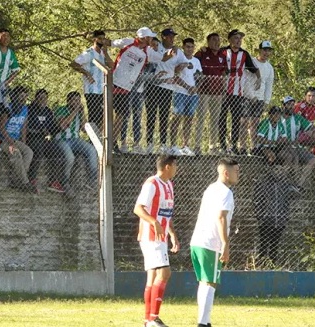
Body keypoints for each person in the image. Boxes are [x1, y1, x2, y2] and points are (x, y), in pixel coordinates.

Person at [106, 27, 176, 153]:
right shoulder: (128, 42)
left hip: (128, 88)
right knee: (107, 113)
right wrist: (96, 41)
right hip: (114, 82)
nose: (152, 39)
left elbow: (163, 58)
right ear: (144, 37)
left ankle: (112, 141)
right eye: (150, 37)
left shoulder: (148, 51)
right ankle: (105, 139)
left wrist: (170, 54)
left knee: (122, 116)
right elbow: (109, 43)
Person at [190, 157, 240, 327]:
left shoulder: (211, 188)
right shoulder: (226, 192)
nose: (238, 174)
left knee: (204, 282)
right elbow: (221, 217)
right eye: (236, 171)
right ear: (226, 173)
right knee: (210, 282)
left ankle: (205, 321)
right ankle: (202, 323)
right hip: (211, 242)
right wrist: (225, 243)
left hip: (197, 241)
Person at [133, 155, 180, 327]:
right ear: (167, 166)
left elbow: (166, 213)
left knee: (152, 277)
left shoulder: (169, 184)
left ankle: (148, 321)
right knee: (165, 273)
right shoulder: (151, 183)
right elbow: (138, 208)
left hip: (161, 237)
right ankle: (153, 318)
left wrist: (172, 233)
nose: (177, 168)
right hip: (151, 236)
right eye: (175, 165)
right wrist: (154, 222)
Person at [219, 29, 260, 155]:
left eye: (240, 39)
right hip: (223, 91)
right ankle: (221, 144)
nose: (239, 41)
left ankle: (233, 145)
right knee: (222, 118)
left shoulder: (244, 54)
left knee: (236, 119)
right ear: (230, 39)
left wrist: (259, 78)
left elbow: (254, 68)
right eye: (236, 38)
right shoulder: (223, 52)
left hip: (238, 92)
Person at [54, 91, 98, 195]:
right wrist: (74, 112)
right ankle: (65, 183)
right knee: (70, 157)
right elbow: (64, 124)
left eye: (78, 100)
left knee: (91, 150)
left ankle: (92, 181)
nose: (77, 103)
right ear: (68, 101)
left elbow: (84, 129)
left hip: (75, 139)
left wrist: (82, 113)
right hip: (62, 139)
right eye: (74, 100)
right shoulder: (61, 109)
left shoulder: (79, 112)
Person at [70, 30, 113, 135]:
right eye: (100, 38)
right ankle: (92, 139)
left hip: (102, 90)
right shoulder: (88, 53)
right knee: (93, 116)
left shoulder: (103, 53)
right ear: (95, 39)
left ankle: (98, 138)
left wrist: (106, 52)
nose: (103, 41)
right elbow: (73, 64)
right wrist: (86, 73)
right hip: (91, 90)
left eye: (104, 38)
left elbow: (111, 66)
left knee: (102, 116)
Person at [193, 33, 226, 155]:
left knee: (215, 120)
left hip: (217, 93)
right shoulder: (202, 53)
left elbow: (223, 73)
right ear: (208, 41)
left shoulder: (222, 56)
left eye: (218, 40)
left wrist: (224, 88)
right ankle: (197, 146)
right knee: (201, 118)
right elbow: (194, 67)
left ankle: (213, 147)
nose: (216, 42)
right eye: (213, 40)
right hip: (203, 92)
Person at [169, 37, 202, 156]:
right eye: (187, 46)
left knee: (189, 119)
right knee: (177, 117)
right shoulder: (178, 59)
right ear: (183, 47)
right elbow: (174, 75)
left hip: (193, 94)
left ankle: (185, 145)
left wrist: (196, 87)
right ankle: (173, 145)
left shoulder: (196, 61)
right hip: (180, 92)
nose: (190, 49)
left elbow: (200, 76)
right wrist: (187, 87)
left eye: (192, 47)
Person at [0, 86, 35, 193]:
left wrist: (23, 142)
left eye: (25, 96)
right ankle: (25, 182)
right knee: (16, 154)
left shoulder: (25, 109)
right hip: (4, 141)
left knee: (29, 152)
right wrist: (11, 142)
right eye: (21, 96)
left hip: (15, 140)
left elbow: (23, 127)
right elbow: (1, 128)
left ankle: (16, 179)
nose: (23, 98)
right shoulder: (7, 108)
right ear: (15, 96)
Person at [240, 40, 274, 155]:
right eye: (264, 50)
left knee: (255, 122)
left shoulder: (270, 67)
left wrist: (266, 100)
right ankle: (243, 147)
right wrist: (251, 95)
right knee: (244, 122)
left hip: (260, 99)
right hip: (248, 97)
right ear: (259, 50)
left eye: (269, 51)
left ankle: (254, 147)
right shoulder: (252, 62)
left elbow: (269, 84)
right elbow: (245, 80)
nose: (266, 53)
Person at [26, 89, 62, 191]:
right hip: (31, 137)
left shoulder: (48, 111)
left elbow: (51, 128)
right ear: (35, 98)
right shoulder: (29, 109)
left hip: (44, 139)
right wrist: (42, 130)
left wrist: (60, 127)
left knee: (57, 152)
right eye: (40, 98)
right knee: (39, 152)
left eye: (45, 98)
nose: (42, 100)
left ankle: (53, 181)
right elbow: (27, 126)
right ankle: (32, 179)